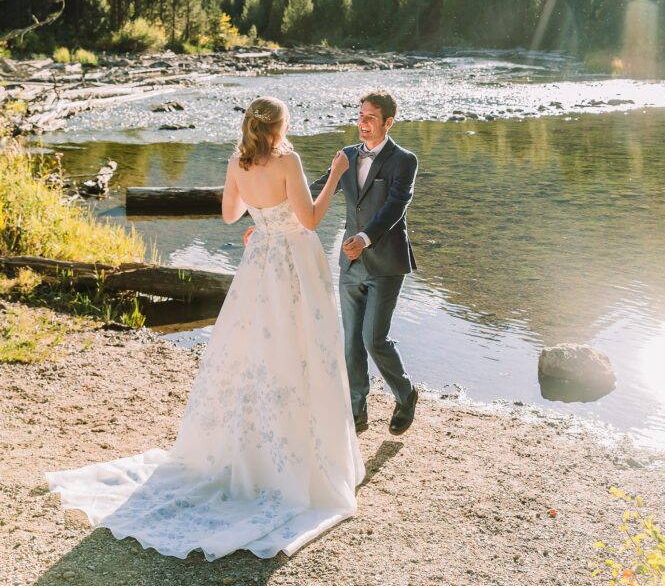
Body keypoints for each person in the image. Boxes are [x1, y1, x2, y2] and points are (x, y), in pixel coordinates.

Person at [44, 97, 364, 560]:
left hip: (260, 263)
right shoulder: (288, 160)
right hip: (294, 265)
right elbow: (311, 219)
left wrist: (261, 219)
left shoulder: (239, 160)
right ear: (279, 126)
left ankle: (251, 452)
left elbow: (231, 214)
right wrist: (335, 174)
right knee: (302, 352)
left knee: (252, 354)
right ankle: (298, 461)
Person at [310, 89, 419, 436]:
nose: (363, 123)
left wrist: (366, 238)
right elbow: (315, 189)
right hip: (349, 263)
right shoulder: (346, 156)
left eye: (370, 118)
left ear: (388, 122)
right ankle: (357, 411)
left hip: (386, 262)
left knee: (374, 339)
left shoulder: (405, 160)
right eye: (360, 116)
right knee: (351, 342)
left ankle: (405, 393)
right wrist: (270, 209)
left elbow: (395, 207)